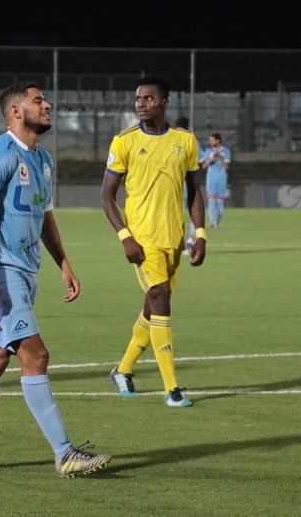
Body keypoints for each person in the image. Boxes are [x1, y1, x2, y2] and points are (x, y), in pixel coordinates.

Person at [0, 83, 111, 478]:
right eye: (38, 101)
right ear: (16, 111)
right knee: (36, 355)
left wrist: (63, 263)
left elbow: (45, 217)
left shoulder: (43, 159)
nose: (47, 104)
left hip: (23, 272)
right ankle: (65, 453)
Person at [102, 78, 206, 408]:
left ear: (165, 103)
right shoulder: (124, 142)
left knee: (153, 305)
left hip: (174, 239)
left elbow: (194, 192)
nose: (140, 103)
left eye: (148, 98)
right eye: (138, 98)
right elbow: (106, 196)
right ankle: (172, 389)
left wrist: (199, 234)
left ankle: (123, 369)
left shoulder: (185, 141)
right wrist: (125, 236)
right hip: (142, 241)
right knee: (161, 299)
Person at [176, 116, 200, 255]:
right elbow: (201, 159)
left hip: (174, 183)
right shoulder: (191, 139)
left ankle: (181, 243)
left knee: (176, 213)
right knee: (192, 211)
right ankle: (191, 239)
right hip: (188, 182)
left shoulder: (169, 138)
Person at [203, 133, 230, 228]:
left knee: (219, 201)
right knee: (211, 200)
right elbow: (204, 165)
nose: (210, 142)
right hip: (211, 178)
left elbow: (226, 166)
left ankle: (217, 222)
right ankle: (212, 221)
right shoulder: (208, 151)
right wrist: (212, 157)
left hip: (222, 178)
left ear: (218, 141)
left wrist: (221, 157)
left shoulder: (226, 151)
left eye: (212, 140)